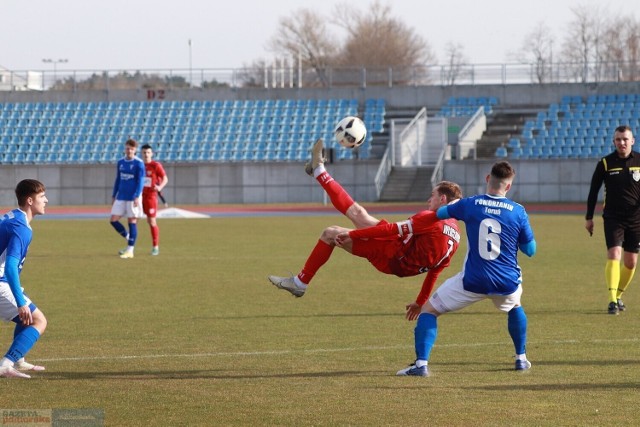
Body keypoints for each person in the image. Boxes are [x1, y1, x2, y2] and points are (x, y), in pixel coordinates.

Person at [268, 139, 462, 316]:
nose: (429, 199)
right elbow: (435, 271)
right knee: (358, 213)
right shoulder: (456, 234)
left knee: (330, 234)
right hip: (400, 249)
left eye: (433, 195)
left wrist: (354, 234)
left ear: (443, 199)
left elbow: (390, 231)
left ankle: (299, 283)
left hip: (392, 257)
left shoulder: (431, 219)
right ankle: (318, 170)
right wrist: (420, 302)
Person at [396, 161, 536, 377]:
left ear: (488, 179)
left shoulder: (470, 204)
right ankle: (521, 359)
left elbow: (439, 212)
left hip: (473, 280)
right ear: (508, 187)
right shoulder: (518, 211)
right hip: (506, 281)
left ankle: (421, 364)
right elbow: (530, 250)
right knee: (515, 305)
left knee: (429, 310)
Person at [586, 125, 640, 315]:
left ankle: (618, 295)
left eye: (625, 139)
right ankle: (611, 302)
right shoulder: (606, 163)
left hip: (636, 219)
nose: (622, 142)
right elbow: (593, 191)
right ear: (614, 141)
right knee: (614, 254)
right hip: (613, 218)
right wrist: (589, 217)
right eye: (618, 139)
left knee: (631, 262)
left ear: (632, 141)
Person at [0, 179, 49, 378]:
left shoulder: (11, 217)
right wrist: (20, 302)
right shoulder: (22, 227)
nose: (46, 200)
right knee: (38, 320)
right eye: (42, 197)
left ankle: (18, 360)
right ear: (30, 200)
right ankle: (6, 364)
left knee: (27, 316)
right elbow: (10, 266)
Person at [110, 138, 145, 259]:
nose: (129, 150)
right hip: (121, 196)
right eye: (127, 148)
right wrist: (114, 194)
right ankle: (129, 237)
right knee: (113, 220)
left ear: (135, 150)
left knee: (132, 221)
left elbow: (140, 181)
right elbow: (118, 179)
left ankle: (130, 250)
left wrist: (136, 196)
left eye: (131, 149)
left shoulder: (139, 163)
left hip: (132, 197)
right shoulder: (120, 162)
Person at [141, 144, 168, 256]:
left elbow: (165, 178)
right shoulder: (139, 165)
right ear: (141, 154)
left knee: (152, 221)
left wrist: (160, 187)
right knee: (133, 220)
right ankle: (130, 247)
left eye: (148, 152)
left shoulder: (156, 165)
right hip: (139, 197)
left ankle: (155, 247)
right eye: (144, 152)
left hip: (151, 197)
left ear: (151, 153)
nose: (146, 154)